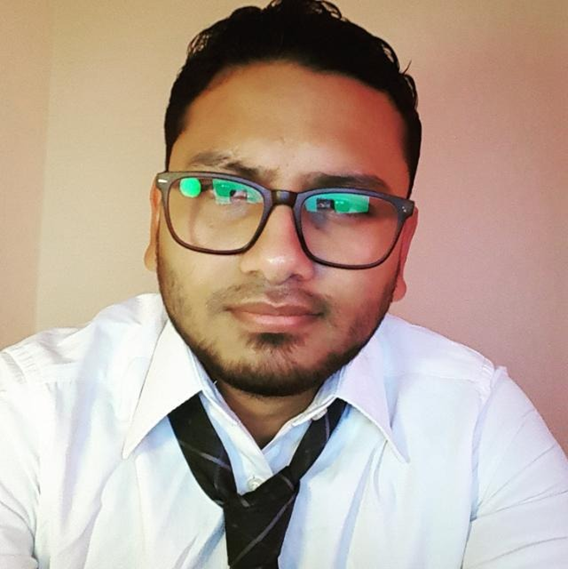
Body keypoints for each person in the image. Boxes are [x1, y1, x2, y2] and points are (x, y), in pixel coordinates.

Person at [1, 0, 567, 567]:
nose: (277, 261)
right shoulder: (27, 410)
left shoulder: (480, 428)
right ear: (157, 222)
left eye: (344, 204)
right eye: (225, 191)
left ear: (402, 248)